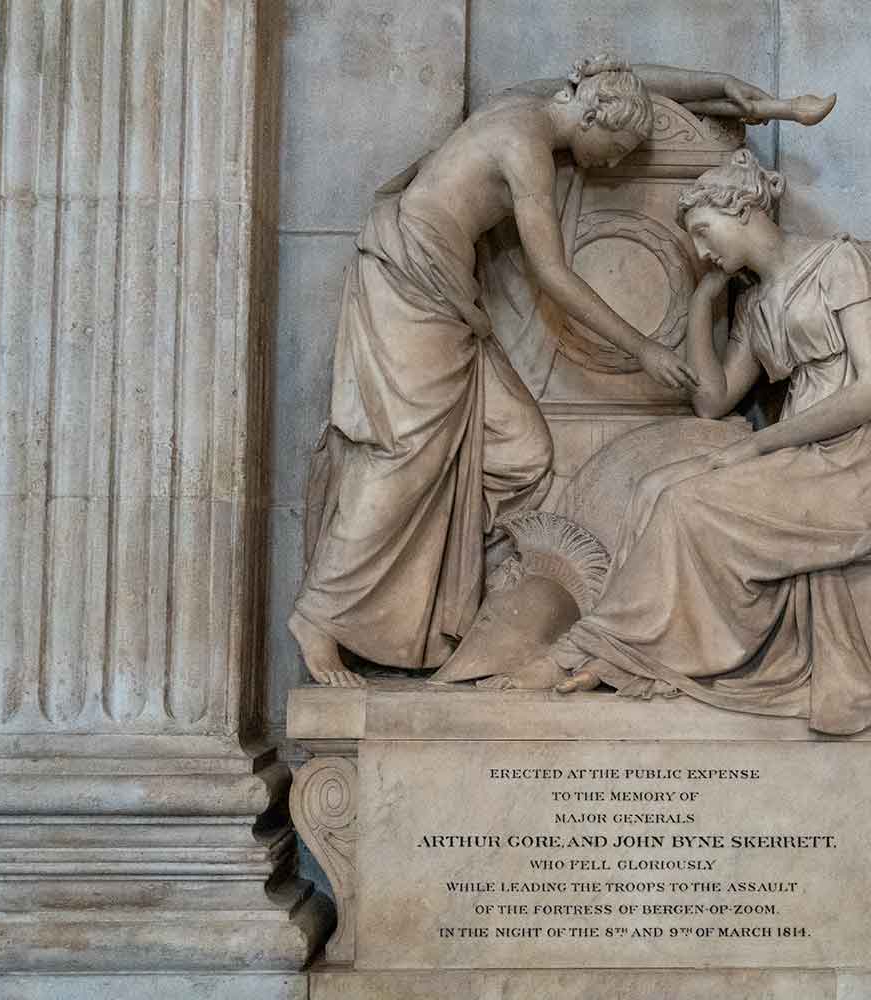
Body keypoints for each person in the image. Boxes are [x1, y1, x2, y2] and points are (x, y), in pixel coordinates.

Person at [290, 61, 781, 687]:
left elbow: (624, 75)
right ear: (596, 118)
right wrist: (645, 350)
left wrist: (716, 85)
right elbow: (553, 274)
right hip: (407, 289)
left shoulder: (524, 101)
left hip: (447, 300)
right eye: (617, 149)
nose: (609, 165)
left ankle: (464, 589)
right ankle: (321, 615)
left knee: (519, 446)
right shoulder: (525, 147)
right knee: (406, 454)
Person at [516, 149, 871, 736]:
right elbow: (712, 400)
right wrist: (703, 302)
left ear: (741, 209)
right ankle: (621, 649)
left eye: (703, 231)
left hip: (869, 451)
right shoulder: (753, 306)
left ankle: (609, 652)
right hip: (809, 447)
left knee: (687, 502)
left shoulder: (839, 262)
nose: (700, 251)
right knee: (655, 486)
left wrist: (759, 445)